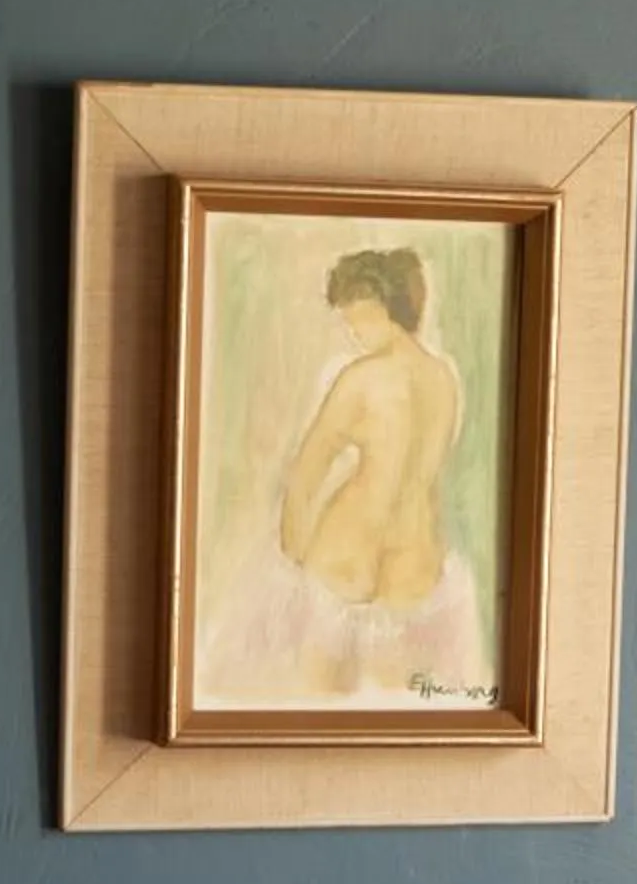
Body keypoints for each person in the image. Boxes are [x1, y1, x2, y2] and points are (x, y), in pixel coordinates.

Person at [198, 245, 489, 707]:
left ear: (380, 308)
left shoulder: (360, 378)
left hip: (347, 552)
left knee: (322, 701)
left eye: (355, 318)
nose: (351, 331)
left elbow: (308, 467)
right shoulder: (443, 379)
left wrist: (292, 545)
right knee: (391, 706)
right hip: (417, 560)